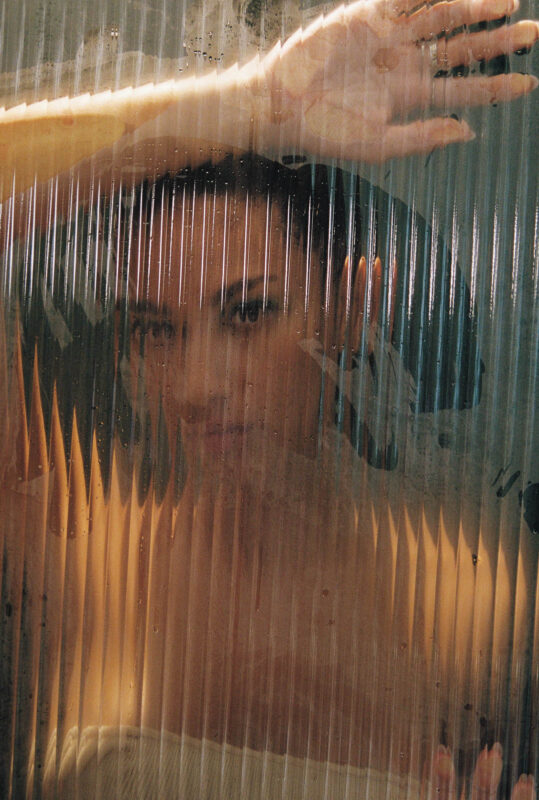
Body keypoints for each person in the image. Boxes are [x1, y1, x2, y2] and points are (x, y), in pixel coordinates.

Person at [1, 1, 538, 798]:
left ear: (350, 307)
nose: (197, 386)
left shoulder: (480, 606)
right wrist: (249, 104)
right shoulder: (76, 555)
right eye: (157, 330)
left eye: (249, 313)